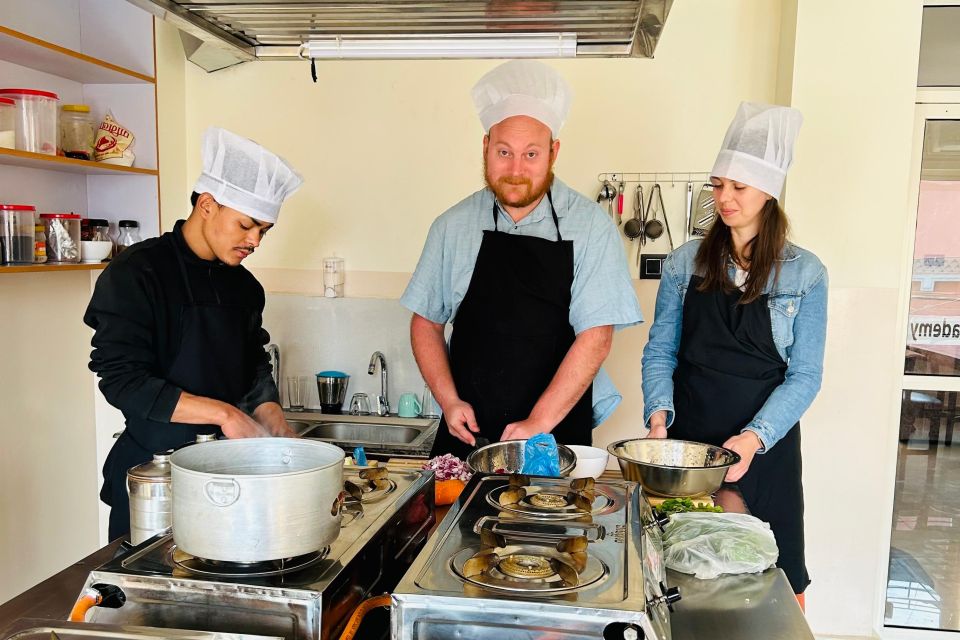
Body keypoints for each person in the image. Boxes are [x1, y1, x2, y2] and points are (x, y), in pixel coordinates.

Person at [401, 60, 642, 460]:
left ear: (553, 152)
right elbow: (425, 322)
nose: (516, 170)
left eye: (531, 154)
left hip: (554, 437)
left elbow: (596, 337)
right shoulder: (452, 226)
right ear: (485, 147)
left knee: (549, 523)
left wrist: (538, 423)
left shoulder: (591, 228)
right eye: (504, 152)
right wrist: (448, 402)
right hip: (468, 436)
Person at [641, 102, 827, 605]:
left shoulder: (806, 274)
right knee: (688, 576)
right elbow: (661, 350)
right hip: (691, 444)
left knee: (782, 583)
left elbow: (805, 376)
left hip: (765, 447)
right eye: (718, 185)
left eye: (737, 187)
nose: (723, 198)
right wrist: (659, 420)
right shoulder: (684, 263)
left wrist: (752, 440)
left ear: (768, 191)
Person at [84, 127, 304, 539]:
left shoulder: (244, 287)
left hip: (228, 479)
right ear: (207, 204)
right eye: (246, 225)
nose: (255, 241)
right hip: (156, 479)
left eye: (264, 231)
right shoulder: (137, 272)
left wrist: (271, 415)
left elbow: (252, 363)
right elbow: (123, 381)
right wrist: (226, 415)